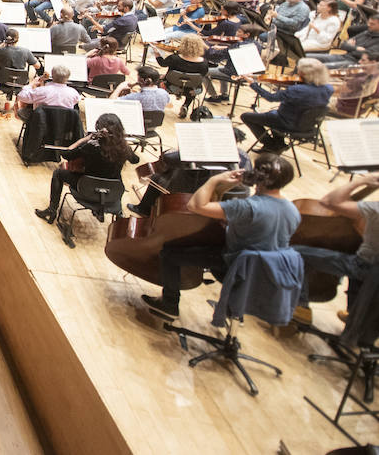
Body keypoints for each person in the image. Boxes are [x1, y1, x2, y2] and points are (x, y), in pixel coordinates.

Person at [142, 155, 300, 319]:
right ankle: (233, 306)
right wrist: (222, 189)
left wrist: (214, 180)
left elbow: (195, 205)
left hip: (236, 268)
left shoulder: (247, 206)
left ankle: (169, 304)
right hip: (268, 274)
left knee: (170, 253)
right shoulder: (292, 210)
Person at [293, 173, 379, 321]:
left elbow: (329, 201)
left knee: (296, 253)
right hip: (374, 271)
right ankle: (353, 315)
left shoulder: (375, 209)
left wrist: (361, 181)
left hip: (367, 268)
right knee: (356, 246)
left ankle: (301, 306)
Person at [33, 114, 138, 223]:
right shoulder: (125, 148)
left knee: (58, 173)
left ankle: (52, 210)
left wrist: (84, 140)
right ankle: (116, 213)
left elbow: (66, 154)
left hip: (87, 189)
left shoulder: (91, 146)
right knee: (116, 179)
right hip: (112, 194)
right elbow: (136, 160)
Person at [240, 57, 333, 152]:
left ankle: (270, 144)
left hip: (287, 123)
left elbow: (270, 97)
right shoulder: (328, 89)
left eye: (299, 70)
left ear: (304, 74)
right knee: (273, 113)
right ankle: (279, 144)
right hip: (308, 126)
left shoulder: (297, 90)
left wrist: (252, 83)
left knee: (246, 116)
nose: (297, 72)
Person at [15, 65, 79, 120]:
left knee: (21, 111)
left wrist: (31, 84)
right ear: (68, 77)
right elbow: (76, 100)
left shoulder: (42, 91)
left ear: (52, 75)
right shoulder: (74, 93)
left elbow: (21, 96)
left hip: (41, 124)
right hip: (63, 126)